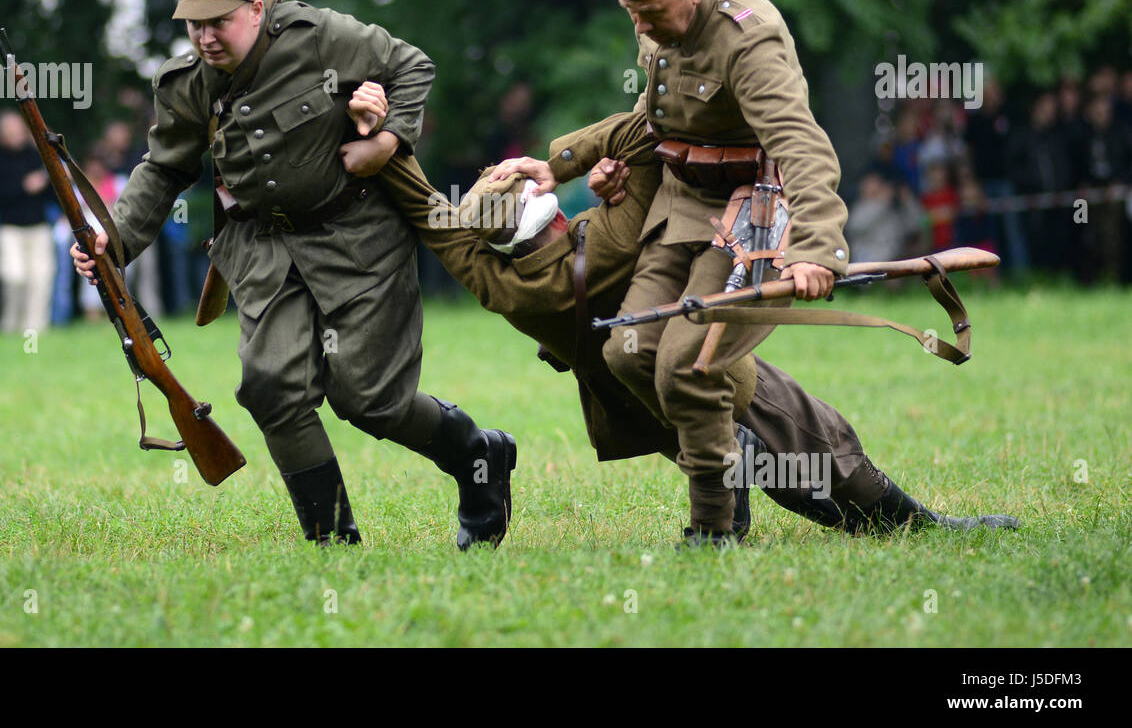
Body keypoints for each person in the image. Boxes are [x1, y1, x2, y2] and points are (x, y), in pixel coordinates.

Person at [367, 108, 1018, 536]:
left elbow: (430, 214)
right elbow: (644, 136)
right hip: (694, 352)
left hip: (628, 400)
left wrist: (385, 148)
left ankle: (829, 515)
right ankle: (918, 527)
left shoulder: (498, 283)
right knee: (812, 434)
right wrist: (579, 160)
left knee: (747, 461)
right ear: (547, 208)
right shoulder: (611, 238)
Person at [72, 0, 514, 549]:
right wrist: (114, 241)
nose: (203, 37)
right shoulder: (186, 84)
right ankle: (332, 540)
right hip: (263, 249)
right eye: (193, 24)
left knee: (370, 401)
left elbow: (412, 66)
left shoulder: (319, 36)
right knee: (270, 386)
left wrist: (387, 140)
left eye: (217, 21)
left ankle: (477, 455)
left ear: (256, 8)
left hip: (358, 238)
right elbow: (164, 169)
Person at [534, 0, 850, 546]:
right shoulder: (656, 24)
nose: (642, 28)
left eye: (650, 12)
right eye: (631, 13)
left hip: (750, 215)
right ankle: (728, 454)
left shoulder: (747, 37)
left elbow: (801, 147)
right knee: (625, 351)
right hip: (679, 207)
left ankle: (716, 527)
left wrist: (817, 249)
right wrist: (569, 161)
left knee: (687, 363)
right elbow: (650, 119)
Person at [0, 109, 55, 334]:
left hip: (39, 227)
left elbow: (52, 194)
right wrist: (24, 187)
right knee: (13, 278)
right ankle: (10, 326)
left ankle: (35, 330)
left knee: (41, 279)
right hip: (10, 229)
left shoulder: (38, 157)